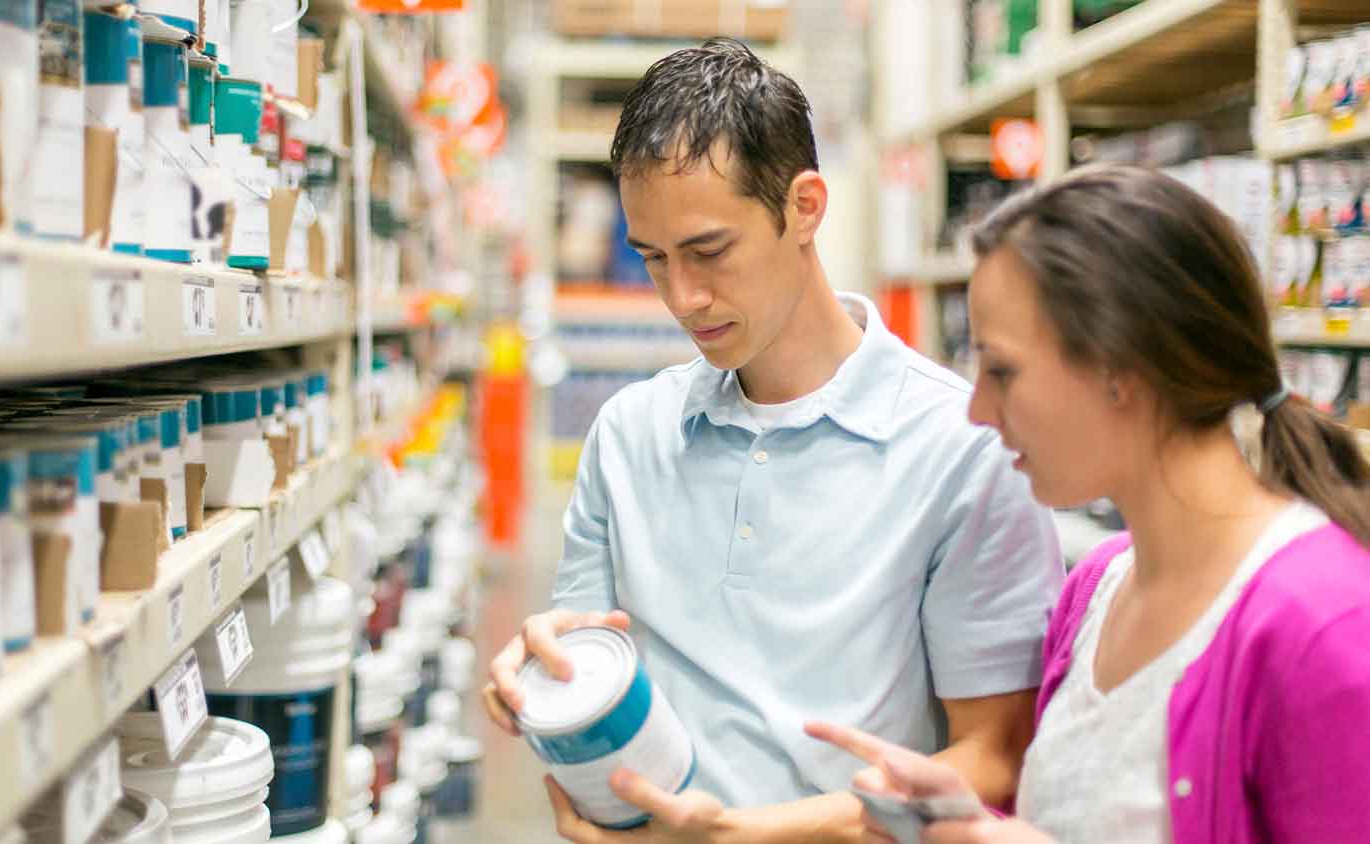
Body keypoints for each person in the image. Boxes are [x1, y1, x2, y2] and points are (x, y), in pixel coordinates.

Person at [482, 38, 1065, 842]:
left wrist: (761, 834)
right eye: (653, 259)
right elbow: (583, 663)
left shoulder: (962, 449)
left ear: (805, 207)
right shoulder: (628, 435)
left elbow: (995, 758)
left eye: (709, 251)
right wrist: (537, 681)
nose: (683, 297)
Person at [810, 165, 1370, 843]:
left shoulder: (1323, 625)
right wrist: (968, 822)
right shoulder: (1096, 591)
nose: (979, 411)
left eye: (1003, 370)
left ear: (1122, 369)